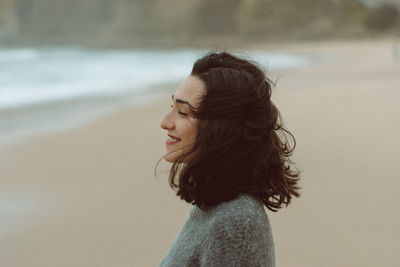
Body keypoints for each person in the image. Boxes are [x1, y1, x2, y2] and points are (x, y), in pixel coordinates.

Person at [158, 52, 300, 267]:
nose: (165, 122)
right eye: (172, 107)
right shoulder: (213, 206)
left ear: (222, 128)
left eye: (184, 112)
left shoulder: (235, 222)